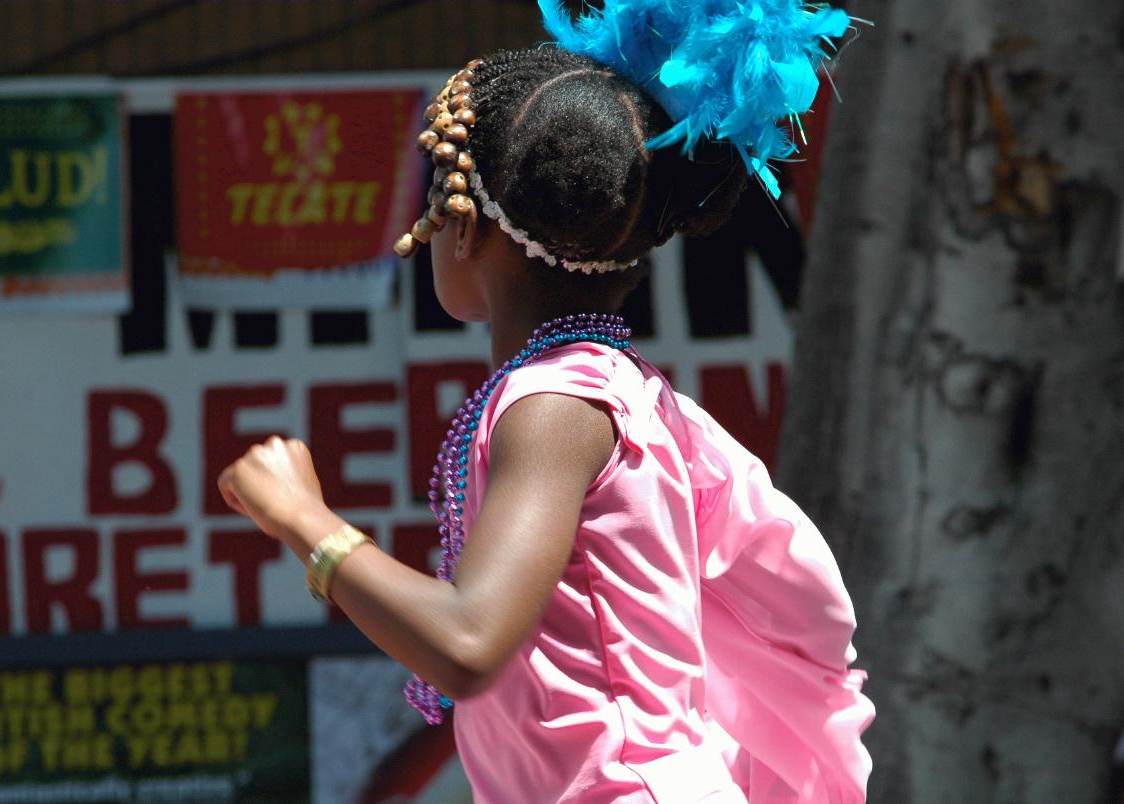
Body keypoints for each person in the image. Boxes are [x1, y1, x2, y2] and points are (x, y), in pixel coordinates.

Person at [218, 2, 874, 801]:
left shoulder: (555, 402)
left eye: (435, 205)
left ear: (463, 226)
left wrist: (303, 520)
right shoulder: (603, 389)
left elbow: (467, 642)